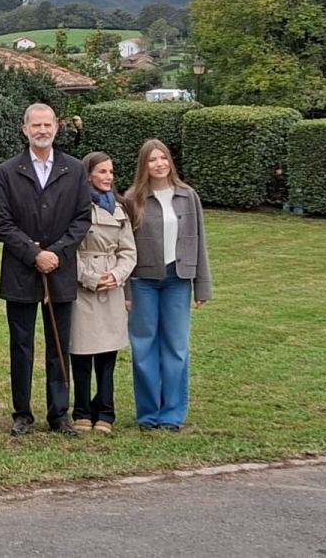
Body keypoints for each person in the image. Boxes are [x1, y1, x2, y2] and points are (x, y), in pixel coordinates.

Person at [0, 103, 92, 436]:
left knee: (58, 344)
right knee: (21, 345)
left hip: (60, 271)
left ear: (56, 128)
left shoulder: (75, 170)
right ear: (24, 130)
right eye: (36, 125)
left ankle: (58, 413)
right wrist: (34, 253)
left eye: (47, 124)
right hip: (21, 271)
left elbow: (82, 220)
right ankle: (22, 413)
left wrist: (56, 254)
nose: (42, 130)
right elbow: (2, 222)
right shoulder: (8, 171)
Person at [122, 139, 212, 431]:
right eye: (152, 159)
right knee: (144, 346)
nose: (159, 164)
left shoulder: (188, 196)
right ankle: (148, 413)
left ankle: (172, 413)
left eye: (163, 158)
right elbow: (123, 247)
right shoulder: (133, 198)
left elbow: (199, 243)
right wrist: (125, 290)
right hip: (142, 281)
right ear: (143, 165)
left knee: (176, 347)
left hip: (178, 279)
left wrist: (202, 286)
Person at [70, 151, 136, 434]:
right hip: (84, 287)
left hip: (112, 287)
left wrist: (117, 276)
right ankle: (82, 409)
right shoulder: (76, 206)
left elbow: (128, 250)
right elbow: (68, 247)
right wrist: (89, 278)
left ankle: (106, 411)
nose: (108, 177)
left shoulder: (120, 209)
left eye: (111, 172)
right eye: (102, 172)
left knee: (108, 355)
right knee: (82, 353)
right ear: (89, 175)